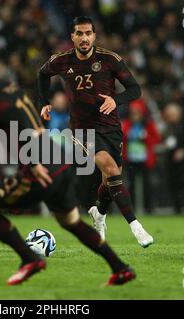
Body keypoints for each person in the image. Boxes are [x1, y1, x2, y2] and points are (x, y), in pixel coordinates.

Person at [0, 47, 135, 286]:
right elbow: (23, 125)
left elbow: (24, 127)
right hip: (57, 160)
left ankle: (30, 259)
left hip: (40, 166)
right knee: (71, 222)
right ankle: (120, 268)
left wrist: (33, 162)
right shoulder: (6, 87)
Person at [38, 16, 153, 247]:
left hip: (111, 127)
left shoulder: (110, 59)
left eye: (88, 33)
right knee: (111, 169)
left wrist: (116, 99)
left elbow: (135, 89)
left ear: (94, 36)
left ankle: (99, 214)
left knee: (110, 180)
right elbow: (42, 74)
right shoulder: (61, 60)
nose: (84, 38)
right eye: (79, 33)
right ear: (72, 37)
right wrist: (44, 101)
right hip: (82, 129)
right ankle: (136, 226)